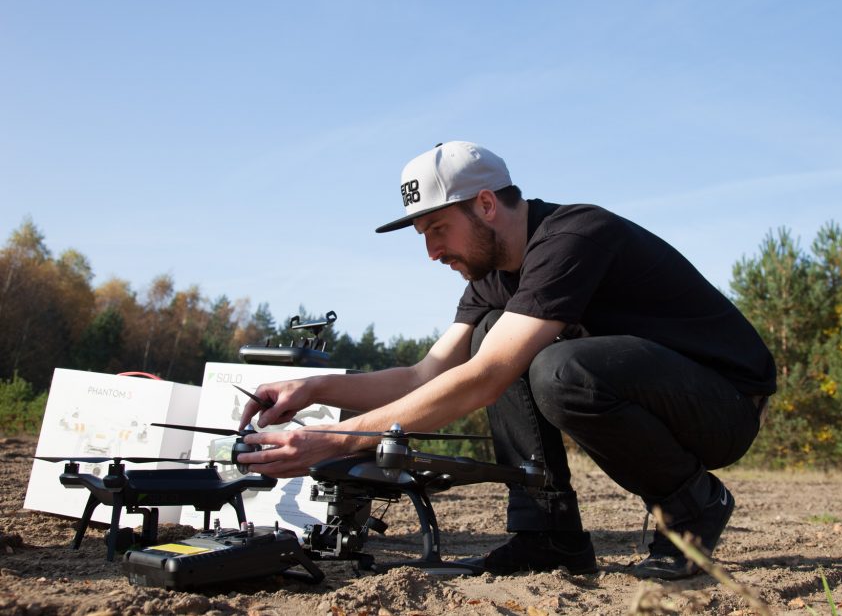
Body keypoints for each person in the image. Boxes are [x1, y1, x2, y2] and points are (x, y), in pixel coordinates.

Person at [237, 141, 776, 579]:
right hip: (663, 396)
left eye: (438, 231)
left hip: (722, 404)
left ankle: (691, 505)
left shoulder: (576, 234)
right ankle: (547, 534)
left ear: (487, 205)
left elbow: (487, 379)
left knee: (557, 371)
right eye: (424, 237)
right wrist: (312, 388)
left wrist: (333, 441)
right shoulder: (488, 276)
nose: (432, 254)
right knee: (495, 335)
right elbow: (426, 375)